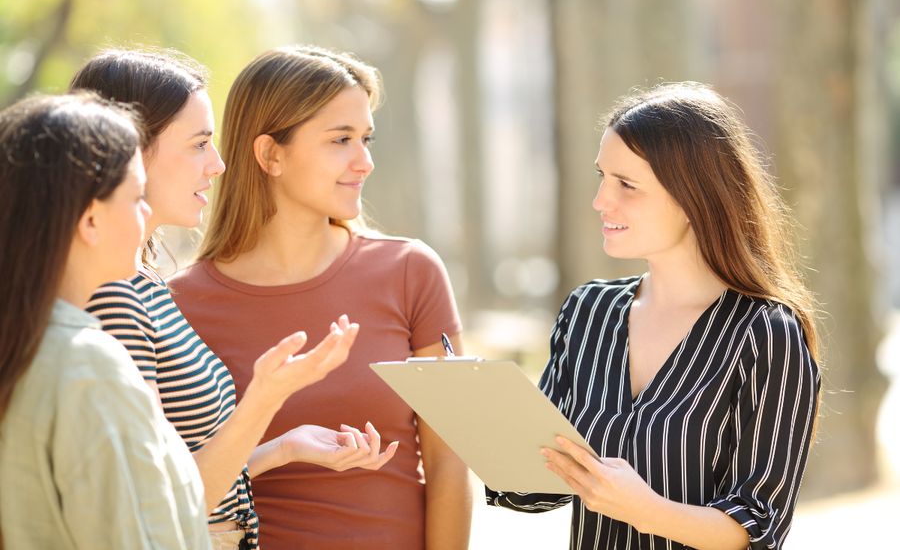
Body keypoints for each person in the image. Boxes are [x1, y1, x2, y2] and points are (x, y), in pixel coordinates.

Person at [70, 49, 394, 550]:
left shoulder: (146, 283)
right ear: (132, 150)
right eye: (199, 144)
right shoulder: (113, 297)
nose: (218, 164)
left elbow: (183, 472)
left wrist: (283, 448)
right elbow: (162, 504)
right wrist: (266, 397)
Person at [487, 82, 821, 550]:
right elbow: (533, 489)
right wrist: (472, 416)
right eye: (602, 177)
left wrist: (645, 510)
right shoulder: (588, 313)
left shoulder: (766, 335)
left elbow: (758, 529)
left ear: (693, 196)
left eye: (627, 185)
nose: (601, 201)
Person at [168, 46, 472, 550]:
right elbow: (177, 486)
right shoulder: (180, 302)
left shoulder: (410, 272)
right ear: (270, 155)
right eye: (340, 140)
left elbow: (449, 463)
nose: (365, 161)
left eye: (366, 139)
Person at [0, 92, 210, 548]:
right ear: (90, 219)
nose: (148, 211)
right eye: (137, 196)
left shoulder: (30, 345)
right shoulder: (87, 367)